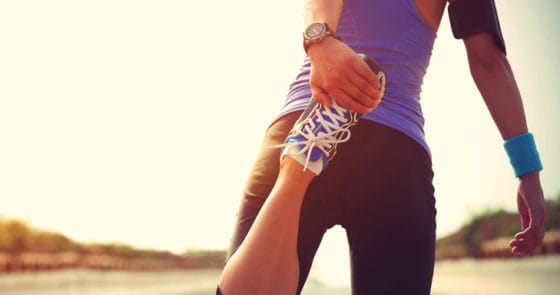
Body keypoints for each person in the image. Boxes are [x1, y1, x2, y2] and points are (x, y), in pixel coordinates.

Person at [217, 0, 547, 294]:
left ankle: (298, 167)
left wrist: (322, 40)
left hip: (312, 114)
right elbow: (488, 61)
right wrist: (527, 170)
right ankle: (299, 163)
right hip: (394, 154)